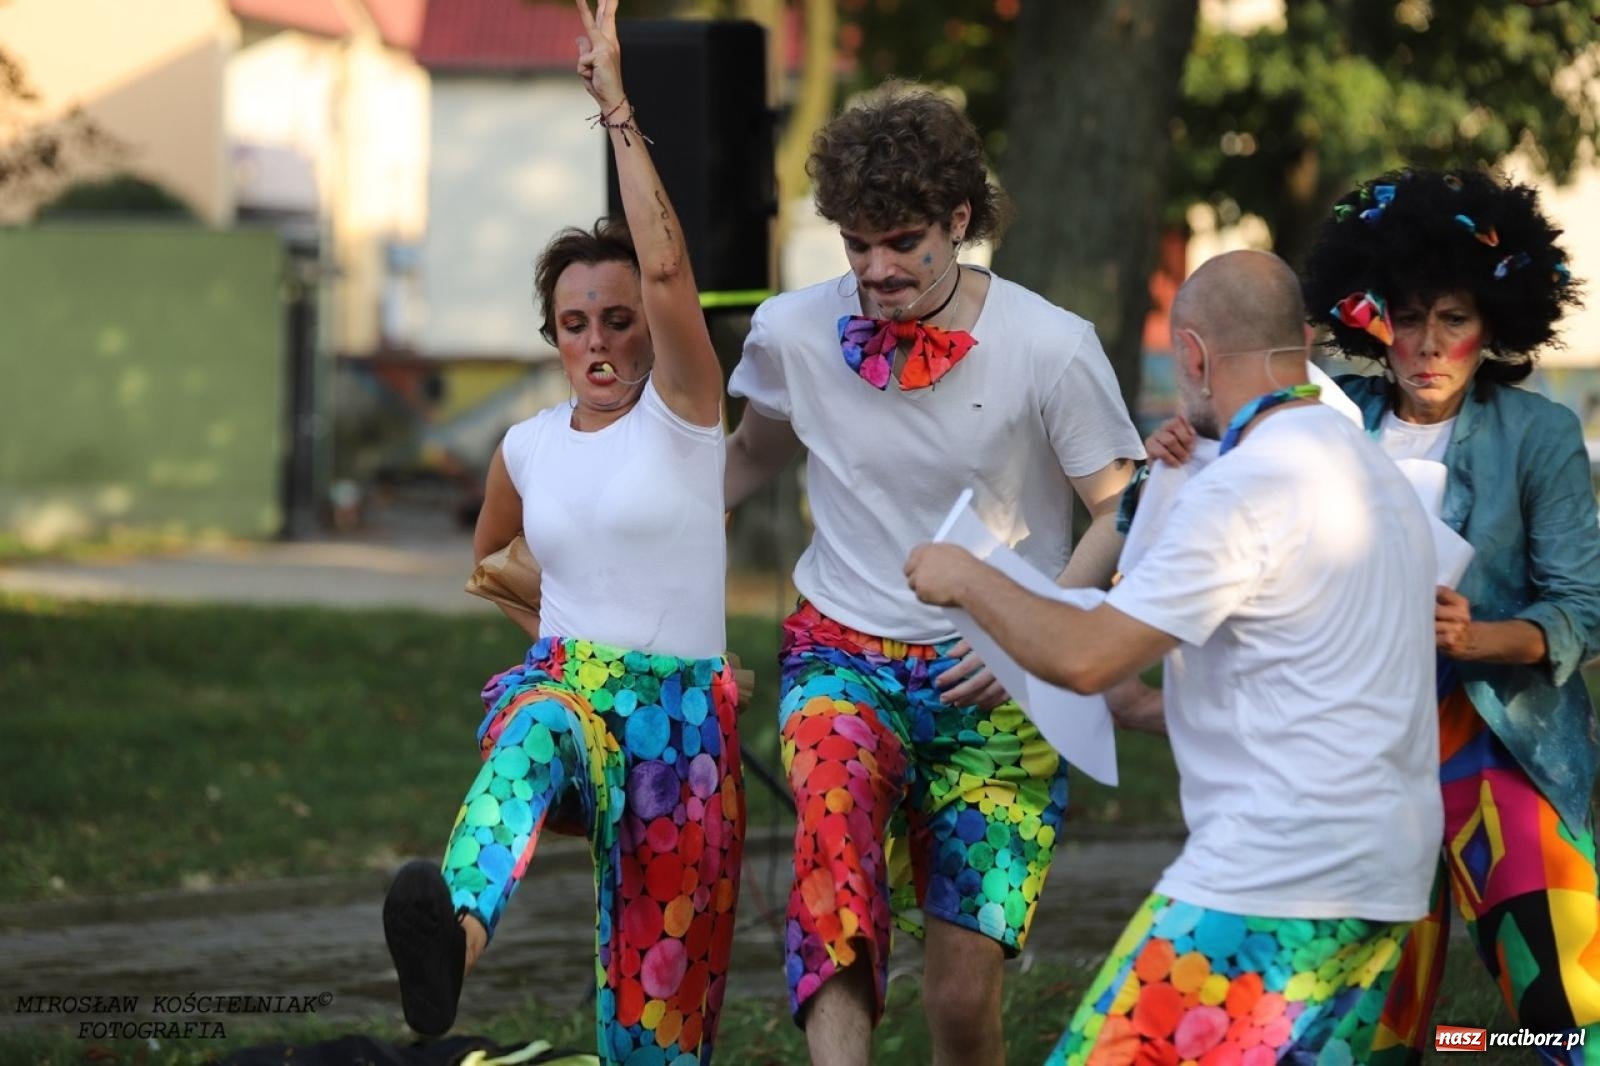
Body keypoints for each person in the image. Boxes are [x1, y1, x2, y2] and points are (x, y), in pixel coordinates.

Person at [905, 250, 1444, 1064]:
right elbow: (1264, 692)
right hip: (1386, 880)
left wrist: (968, 578)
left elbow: (1087, 657)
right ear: (1297, 343)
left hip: (1275, 883)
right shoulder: (1373, 476)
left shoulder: (1251, 485)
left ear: (1191, 354)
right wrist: (1126, 699)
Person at [723, 84, 1146, 1065]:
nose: (874, 270)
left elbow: (1121, 504)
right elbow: (747, 457)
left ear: (960, 220)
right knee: (832, 889)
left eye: (900, 241)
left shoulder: (1050, 345)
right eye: (854, 244)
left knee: (960, 994)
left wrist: (1036, 634)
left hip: (997, 681)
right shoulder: (792, 334)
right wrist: (625, 519)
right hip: (842, 656)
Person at [381, 3, 743, 1062]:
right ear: (553, 337)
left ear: (649, 327)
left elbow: (668, 270)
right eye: (576, 322)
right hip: (573, 690)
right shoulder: (528, 448)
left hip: (685, 729)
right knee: (530, 731)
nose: (598, 338)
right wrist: (556, 620)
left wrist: (617, 110)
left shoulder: (683, 415)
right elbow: (492, 562)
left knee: (655, 1028)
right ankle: (452, 938)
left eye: (618, 318)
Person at [1299, 168, 1600, 1059]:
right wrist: (1185, 439)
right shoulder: (1322, 418)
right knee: (1362, 1031)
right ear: (1371, 318)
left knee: (1567, 1015)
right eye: (1408, 315)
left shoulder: (1537, 436)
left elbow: (1583, 611)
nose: (1428, 344)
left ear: (1493, 327)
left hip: (1495, 737)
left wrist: (1479, 634)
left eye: (1455, 320)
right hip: (1357, 745)